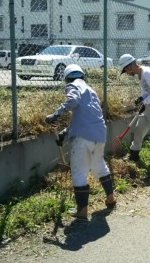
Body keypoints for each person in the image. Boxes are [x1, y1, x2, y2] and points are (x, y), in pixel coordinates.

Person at [45, 64, 116, 220]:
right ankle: (110, 198)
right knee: (99, 165)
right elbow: (83, 117)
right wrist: (66, 132)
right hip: (99, 135)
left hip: (84, 138)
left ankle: (82, 211)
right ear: (83, 76)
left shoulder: (72, 86)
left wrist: (56, 114)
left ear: (67, 79)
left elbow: (73, 100)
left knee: (78, 172)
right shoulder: (91, 91)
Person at [118, 54, 150, 168]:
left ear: (130, 66)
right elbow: (147, 91)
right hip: (149, 104)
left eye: (126, 70)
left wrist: (145, 102)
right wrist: (142, 98)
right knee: (139, 129)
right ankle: (134, 154)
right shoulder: (140, 75)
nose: (127, 73)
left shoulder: (146, 73)